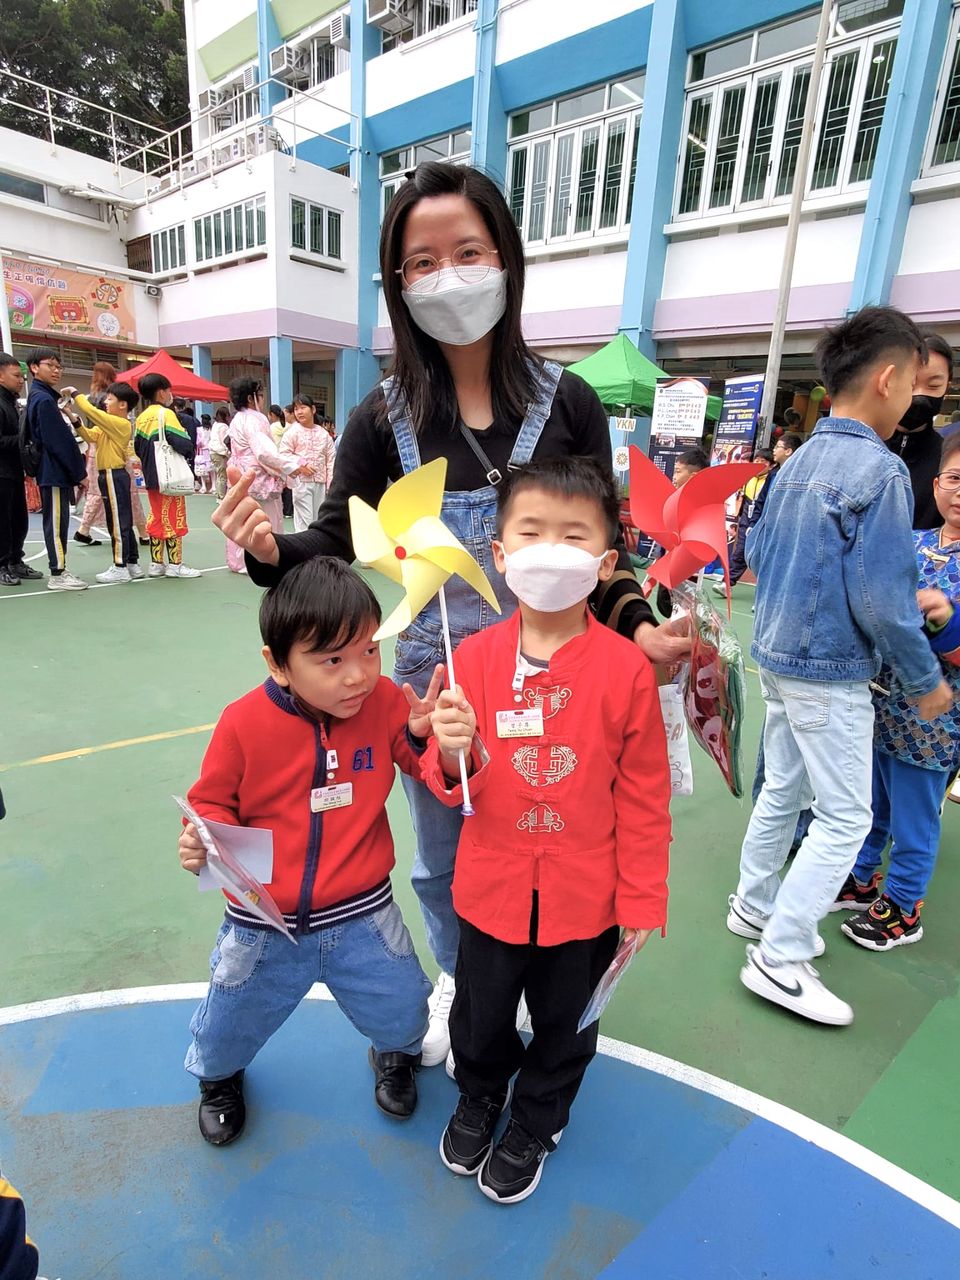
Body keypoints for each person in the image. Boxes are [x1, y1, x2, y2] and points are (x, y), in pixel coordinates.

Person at [212, 160, 689, 1067]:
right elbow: (333, 541)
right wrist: (271, 553)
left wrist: (639, 627)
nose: (449, 278)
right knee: (442, 861)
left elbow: (605, 554)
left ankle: (550, 989)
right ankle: (467, 982)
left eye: (468, 253)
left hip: (562, 686)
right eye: (422, 263)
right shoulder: (380, 418)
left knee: (560, 842)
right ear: (398, 285)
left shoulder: (571, 404)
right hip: (441, 694)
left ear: (505, 258)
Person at [424, 458, 671, 1203]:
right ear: (500, 555)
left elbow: (644, 796)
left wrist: (641, 900)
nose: (550, 551)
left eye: (573, 535)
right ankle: (480, 1093)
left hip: (585, 899)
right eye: (531, 533)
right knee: (480, 1013)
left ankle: (537, 1117)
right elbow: (449, 781)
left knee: (567, 1025)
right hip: (491, 889)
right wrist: (450, 750)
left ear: (605, 562)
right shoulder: (469, 659)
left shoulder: (627, 670)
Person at [728, 305, 952, 1027]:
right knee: (847, 815)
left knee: (784, 790)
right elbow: (884, 601)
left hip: (778, 657)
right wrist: (924, 681)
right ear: (887, 379)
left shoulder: (794, 463)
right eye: (915, 383)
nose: (915, 398)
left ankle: (754, 905)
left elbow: (755, 554)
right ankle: (782, 954)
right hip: (829, 669)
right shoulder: (880, 470)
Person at [177, 557, 444, 1144]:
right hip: (263, 919)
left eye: (369, 651)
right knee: (232, 1013)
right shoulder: (243, 723)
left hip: (364, 912)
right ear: (277, 664)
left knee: (402, 1003)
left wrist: (430, 740)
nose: (358, 676)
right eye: (332, 661)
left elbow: (423, 767)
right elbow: (211, 802)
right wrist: (203, 836)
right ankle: (219, 1078)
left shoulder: (386, 703)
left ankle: (394, 1055)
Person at [832, 432, 960, 948]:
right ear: (936, 483)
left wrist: (945, 618)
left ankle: (904, 906)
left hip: (935, 720)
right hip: (879, 704)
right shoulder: (910, 541)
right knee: (871, 802)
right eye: (955, 478)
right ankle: (862, 877)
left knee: (914, 817)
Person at [223, 377, 304, 573]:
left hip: (239, 473)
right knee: (265, 519)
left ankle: (240, 560)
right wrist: (290, 466)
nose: (262, 398)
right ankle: (262, 559)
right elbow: (264, 452)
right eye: (260, 395)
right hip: (257, 476)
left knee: (242, 517)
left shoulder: (237, 419)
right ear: (251, 398)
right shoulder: (255, 419)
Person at [25, 347, 88, 591]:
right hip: (53, 471)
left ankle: (60, 568)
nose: (56, 370)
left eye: (58, 366)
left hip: (53, 470)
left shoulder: (43, 397)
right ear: (34, 367)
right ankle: (58, 572)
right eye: (50, 365)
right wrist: (80, 473)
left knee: (58, 521)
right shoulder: (43, 400)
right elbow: (58, 441)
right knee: (56, 522)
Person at [68, 381, 144, 584]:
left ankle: (120, 566)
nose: (106, 402)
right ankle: (131, 563)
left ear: (123, 405)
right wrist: (71, 416)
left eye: (110, 399)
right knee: (122, 519)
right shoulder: (108, 425)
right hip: (110, 476)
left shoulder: (120, 423)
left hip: (113, 474)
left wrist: (75, 393)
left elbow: (91, 412)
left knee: (117, 522)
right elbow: (89, 435)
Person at [134, 373, 200, 579]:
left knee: (156, 515)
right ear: (162, 392)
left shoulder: (141, 417)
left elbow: (137, 447)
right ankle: (175, 564)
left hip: (151, 475)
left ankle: (156, 563)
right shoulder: (166, 414)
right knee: (174, 517)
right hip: (170, 475)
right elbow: (183, 444)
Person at [887, 333, 954, 530]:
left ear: (947, 387)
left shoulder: (949, 460)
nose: (919, 395)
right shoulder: (862, 449)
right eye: (911, 383)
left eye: (934, 386)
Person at [0, 353, 41, 587]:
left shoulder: (11, 402)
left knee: (18, 520)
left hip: (14, 472)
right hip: (2, 473)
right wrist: (24, 439)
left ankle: (15, 560)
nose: (21, 380)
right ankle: (3, 564)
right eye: (16, 375)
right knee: (3, 522)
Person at [655, 446, 709, 618]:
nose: (674, 476)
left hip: (685, 566)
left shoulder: (701, 505)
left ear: (693, 476)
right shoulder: (674, 499)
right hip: (669, 562)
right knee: (665, 604)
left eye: (678, 471)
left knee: (682, 608)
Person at [280, 393, 337, 533]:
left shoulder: (324, 434)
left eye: (303, 407)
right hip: (301, 482)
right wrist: (301, 465)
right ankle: (303, 546)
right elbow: (284, 454)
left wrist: (330, 484)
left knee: (319, 520)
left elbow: (331, 460)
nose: (299, 412)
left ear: (313, 409)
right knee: (304, 522)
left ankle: (316, 545)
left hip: (321, 483)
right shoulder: (292, 432)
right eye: (296, 409)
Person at [73, 361, 116, 547]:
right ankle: (85, 529)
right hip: (108, 443)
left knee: (95, 489)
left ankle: (84, 529)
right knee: (113, 488)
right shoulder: (108, 397)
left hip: (93, 444)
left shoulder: (91, 397)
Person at [209, 407, 230, 500]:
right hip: (220, 452)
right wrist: (228, 453)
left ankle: (219, 494)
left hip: (213, 452)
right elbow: (224, 441)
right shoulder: (223, 427)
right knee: (223, 475)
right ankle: (222, 496)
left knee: (218, 474)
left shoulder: (215, 424)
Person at [193, 414, 213, 494]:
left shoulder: (199, 429)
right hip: (210, 450)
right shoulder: (211, 429)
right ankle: (213, 486)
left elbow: (198, 442)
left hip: (202, 451)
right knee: (211, 469)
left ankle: (204, 486)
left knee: (202, 468)